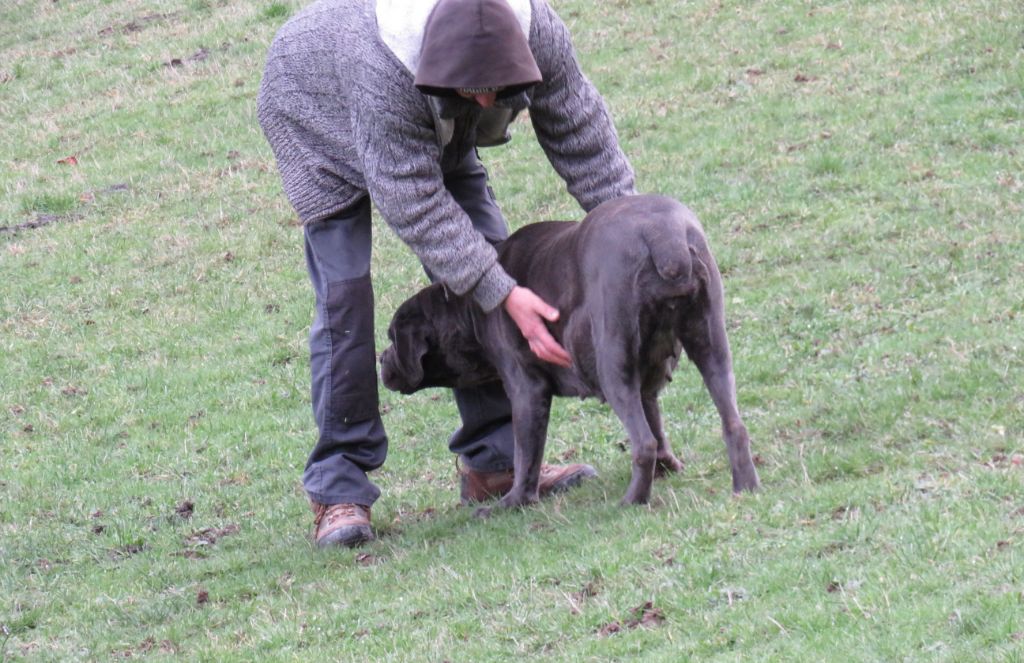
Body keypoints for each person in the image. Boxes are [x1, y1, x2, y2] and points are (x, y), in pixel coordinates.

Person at [257, 0, 637, 548]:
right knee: (347, 303)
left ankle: (497, 461)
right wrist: (502, 293)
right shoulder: (381, 64)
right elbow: (416, 203)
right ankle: (338, 488)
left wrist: (630, 238)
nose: (487, 103)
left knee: (491, 259)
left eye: (499, 89)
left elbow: (582, 135)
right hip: (317, 114)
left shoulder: (537, 33)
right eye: (473, 91)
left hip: (432, 125)